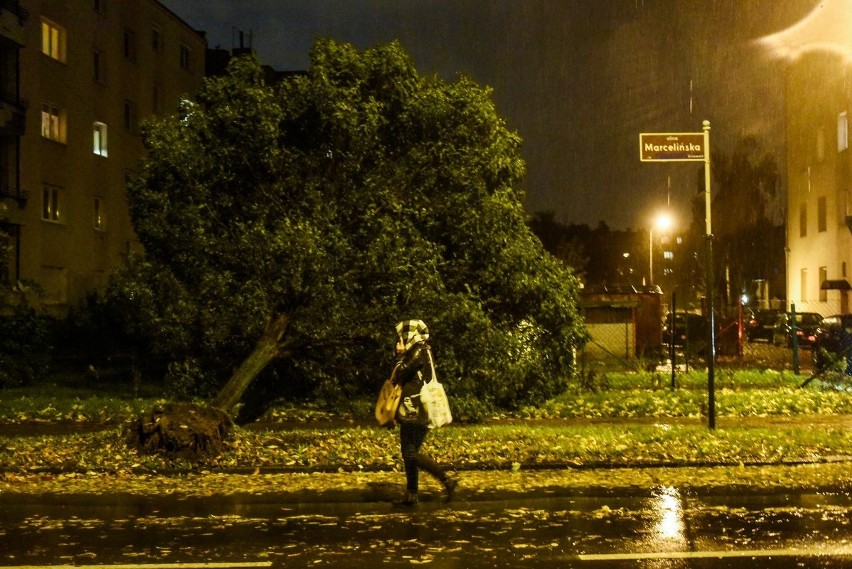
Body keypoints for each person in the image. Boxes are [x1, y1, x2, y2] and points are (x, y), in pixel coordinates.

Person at [392, 319, 457, 506]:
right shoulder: (424, 349)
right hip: (419, 406)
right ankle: (412, 495)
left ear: (410, 334)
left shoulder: (417, 351)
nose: (400, 340)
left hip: (413, 408)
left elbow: (400, 373)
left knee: (410, 453)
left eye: (402, 336)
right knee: (410, 452)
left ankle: (446, 480)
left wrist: (399, 356)